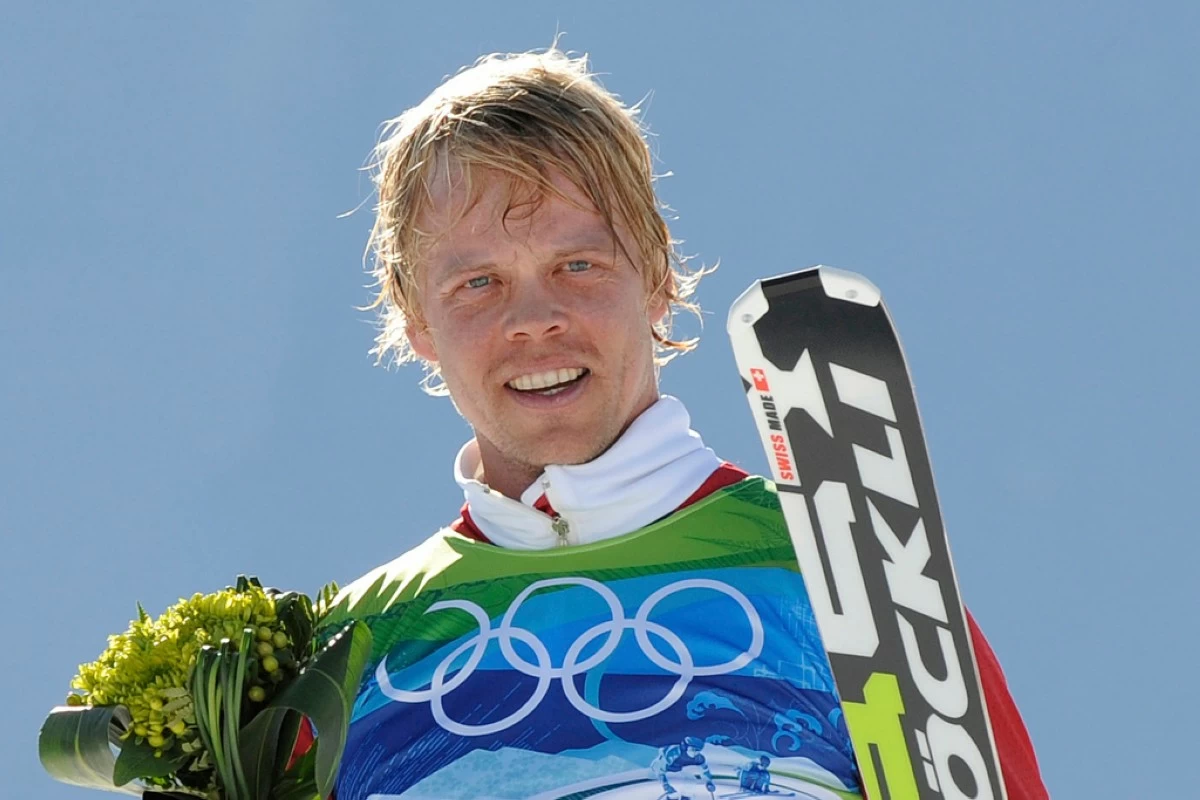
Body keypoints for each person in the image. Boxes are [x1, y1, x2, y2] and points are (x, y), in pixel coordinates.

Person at [315, 48, 1048, 800]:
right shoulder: (342, 658)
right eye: (479, 283)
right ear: (417, 324)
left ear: (659, 276)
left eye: (578, 266)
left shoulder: (841, 569)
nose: (534, 321)